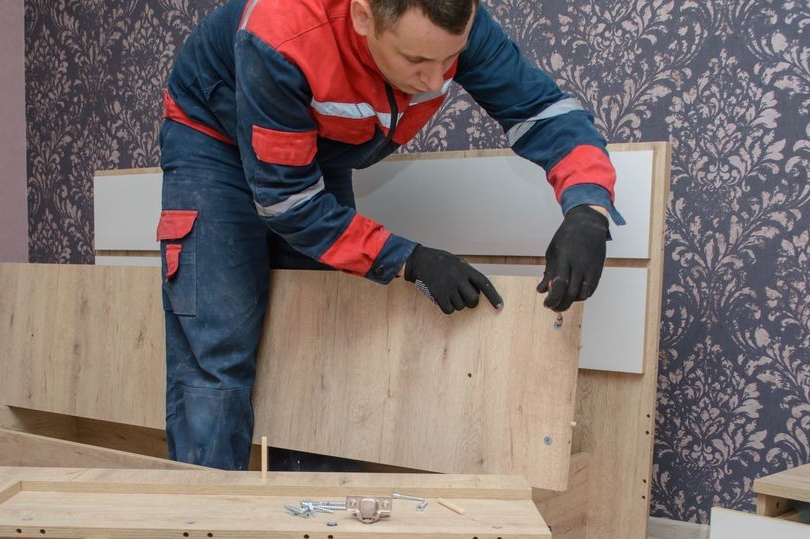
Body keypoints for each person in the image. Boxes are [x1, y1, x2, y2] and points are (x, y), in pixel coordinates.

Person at [158, 0, 623, 469]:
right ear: (363, 16)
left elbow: (544, 110)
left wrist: (588, 210)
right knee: (217, 351)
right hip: (213, 144)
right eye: (417, 61)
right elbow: (289, 203)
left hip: (318, 151)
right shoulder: (282, 34)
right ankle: (208, 529)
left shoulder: (458, 25)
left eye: (450, 59)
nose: (438, 80)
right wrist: (409, 259)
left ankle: (315, 518)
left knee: (322, 343)